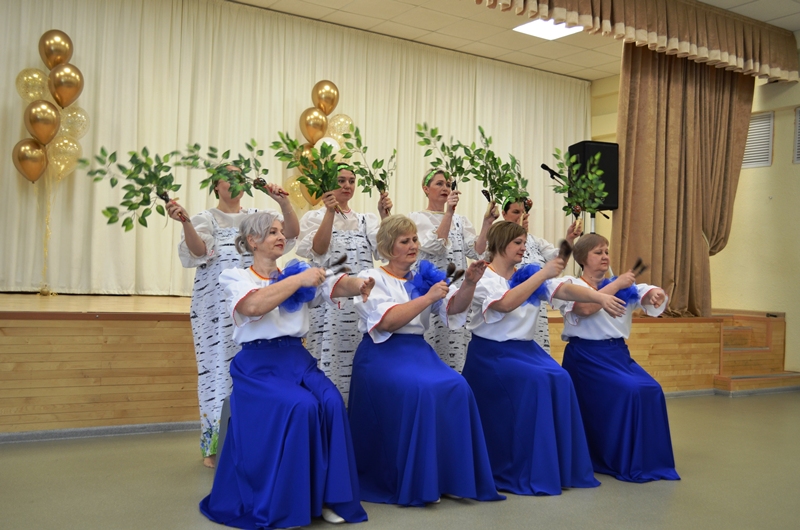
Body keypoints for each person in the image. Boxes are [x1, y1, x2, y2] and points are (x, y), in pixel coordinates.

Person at [199, 211, 372, 529]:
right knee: (301, 406)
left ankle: (331, 498)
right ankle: (290, 502)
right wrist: (298, 280)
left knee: (333, 403)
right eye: (272, 232)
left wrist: (360, 283)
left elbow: (335, 285)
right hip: (258, 366)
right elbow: (253, 306)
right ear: (252, 241)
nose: (281, 237)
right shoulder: (237, 277)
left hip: (297, 360)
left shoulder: (296, 272)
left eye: (281, 231)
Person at [347, 215, 504, 507]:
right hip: (381, 355)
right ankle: (421, 480)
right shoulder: (372, 278)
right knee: (421, 390)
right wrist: (428, 297)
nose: (413, 245)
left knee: (458, 386)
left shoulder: (424, 277)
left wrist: (469, 283)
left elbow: (453, 308)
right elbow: (387, 322)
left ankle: (452, 478)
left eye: (415, 239)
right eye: (404, 241)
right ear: (388, 247)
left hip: (418, 352)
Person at [462, 221, 625, 495]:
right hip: (492, 355)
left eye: (524, 243)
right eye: (518, 243)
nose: (523, 248)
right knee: (538, 381)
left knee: (561, 377)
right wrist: (541, 275)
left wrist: (598, 298)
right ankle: (525, 468)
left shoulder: (527, 274)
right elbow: (505, 303)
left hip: (527, 351)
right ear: (500, 244)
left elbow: (565, 290)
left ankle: (556, 467)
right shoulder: (484, 277)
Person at [167, 167, 299, 468]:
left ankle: (255, 443)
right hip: (215, 310)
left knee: (254, 370)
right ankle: (215, 447)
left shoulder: (258, 217)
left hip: (256, 305)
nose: (236, 182)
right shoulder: (206, 218)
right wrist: (186, 222)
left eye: (241, 177)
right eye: (229, 177)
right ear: (216, 185)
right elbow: (199, 251)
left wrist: (283, 203)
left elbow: (291, 233)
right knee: (217, 373)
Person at [556, 233, 680, 483]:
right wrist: (618, 284)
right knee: (630, 390)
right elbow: (586, 307)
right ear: (582, 258)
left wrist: (655, 294)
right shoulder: (570, 284)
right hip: (586, 358)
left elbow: (647, 292)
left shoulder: (623, 287)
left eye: (606, 251)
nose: (605, 256)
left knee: (652, 389)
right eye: (598, 252)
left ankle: (647, 460)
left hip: (618, 355)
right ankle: (613, 457)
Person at [297, 168, 392, 400]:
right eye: (341, 181)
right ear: (328, 184)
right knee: (327, 362)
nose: (347, 185)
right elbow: (318, 250)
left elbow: (387, 252)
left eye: (351, 181)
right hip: (328, 303)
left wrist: (385, 217)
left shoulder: (365, 220)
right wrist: (330, 212)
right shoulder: (314, 217)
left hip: (361, 301)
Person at [409, 170, 497, 372]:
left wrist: (487, 223)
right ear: (426, 189)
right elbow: (435, 246)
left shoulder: (461, 221)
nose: (445, 188)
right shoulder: (416, 218)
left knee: (455, 350)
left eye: (448, 185)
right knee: (430, 348)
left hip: (457, 294)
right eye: (439, 184)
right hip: (429, 294)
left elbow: (477, 251)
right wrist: (448, 212)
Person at [501, 197, 582, 353]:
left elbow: (559, 261)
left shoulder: (535, 241)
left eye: (524, 212)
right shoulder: (496, 241)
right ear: (504, 214)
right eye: (516, 212)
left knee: (537, 352)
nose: (521, 216)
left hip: (535, 309)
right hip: (510, 306)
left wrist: (570, 239)